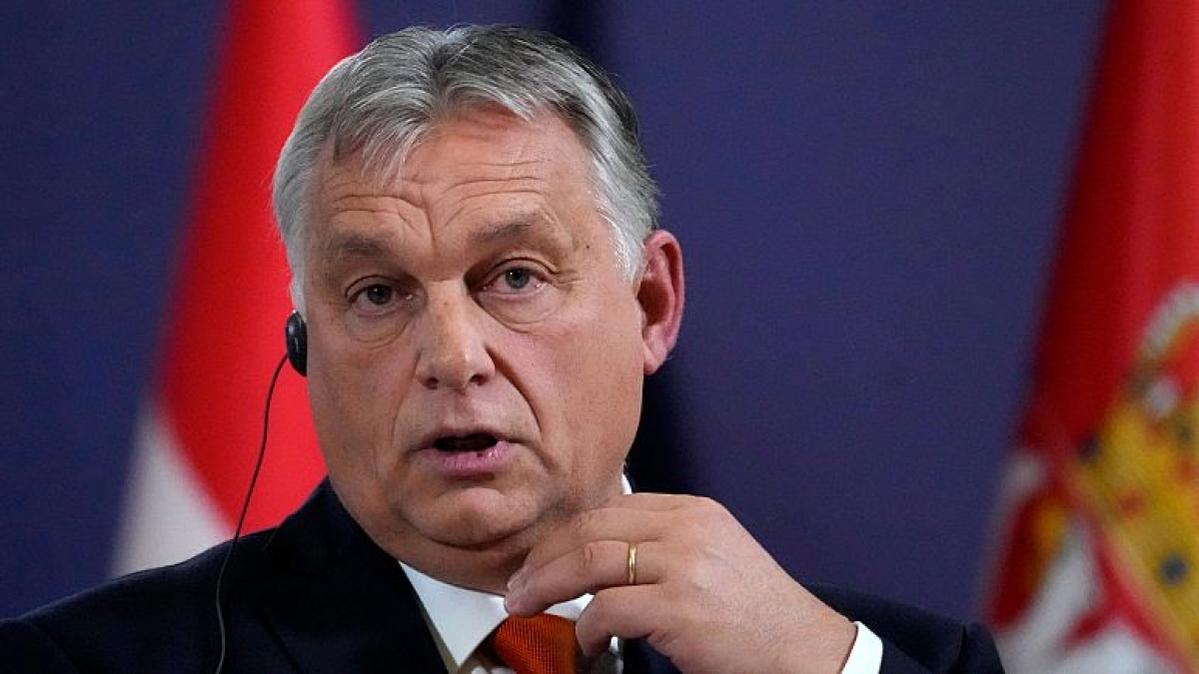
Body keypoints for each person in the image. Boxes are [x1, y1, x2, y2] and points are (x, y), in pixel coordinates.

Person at [0, 25, 1002, 673]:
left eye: (513, 277)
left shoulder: (882, 658)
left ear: (650, 303)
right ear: (305, 343)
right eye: (379, 293)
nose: (452, 354)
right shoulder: (82, 665)